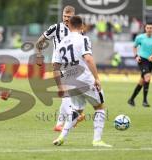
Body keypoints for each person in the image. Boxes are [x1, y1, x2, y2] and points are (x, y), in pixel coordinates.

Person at [52, 15, 112, 147]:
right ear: (82, 26)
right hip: (84, 79)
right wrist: (96, 78)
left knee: (76, 110)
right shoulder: (83, 38)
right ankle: (97, 140)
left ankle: (61, 137)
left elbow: (55, 67)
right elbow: (89, 59)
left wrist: (60, 87)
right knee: (99, 107)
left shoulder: (61, 43)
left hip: (69, 81)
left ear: (69, 26)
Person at [35, 5, 85, 132]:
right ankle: (74, 116)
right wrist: (39, 54)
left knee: (67, 94)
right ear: (62, 15)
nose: (66, 19)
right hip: (59, 65)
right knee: (66, 93)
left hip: (74, 65)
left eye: (69, 17)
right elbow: (39, 41)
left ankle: (61, 123)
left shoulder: (79, 30)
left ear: (73, 16)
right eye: (64, 16)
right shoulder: (55, 28)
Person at [128, 22, 152, 107]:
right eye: (147, 28)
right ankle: (145, 101)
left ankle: (131, 99)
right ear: (145, 28)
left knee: (142, 80)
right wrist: (136, 56)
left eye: (150, 28)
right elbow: (134, 46)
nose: (149, 29)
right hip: (142, 60)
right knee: (147, 77)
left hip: (151, 60)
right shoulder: (140, 37)